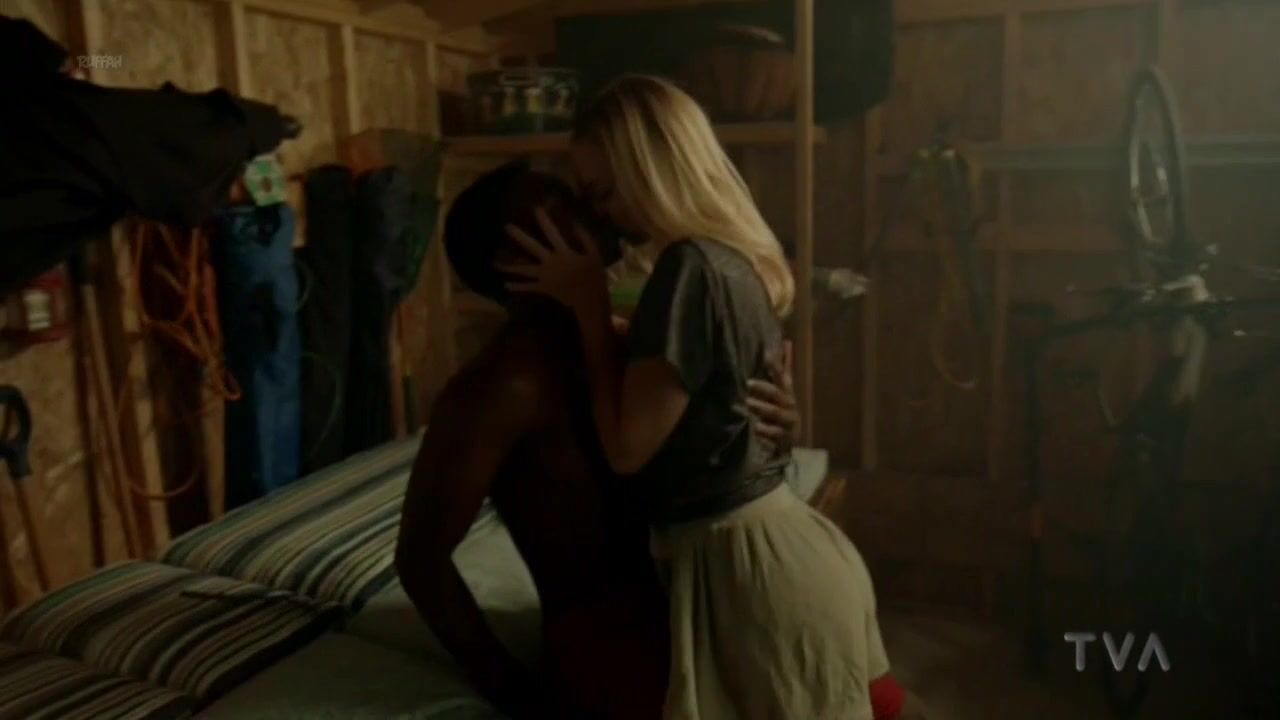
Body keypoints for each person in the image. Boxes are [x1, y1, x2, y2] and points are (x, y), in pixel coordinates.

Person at [502, 74, 918, 720]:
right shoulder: (726, 258)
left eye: (604, 192)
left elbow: (626, 449)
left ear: (653, 170)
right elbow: (700, 387)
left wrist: (585, 303)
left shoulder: (688, 268)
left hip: (753, 569)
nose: (600, 214)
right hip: (780, 550)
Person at [393, 158, 802, 719]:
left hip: (694, 606)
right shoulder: (503, 387)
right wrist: (512, 691)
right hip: (612, 649)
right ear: (516, 258)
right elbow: (420, 559)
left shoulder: (621, 348)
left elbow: (729, 450)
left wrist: (784, 426)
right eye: (560, 205)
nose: (591, 209)